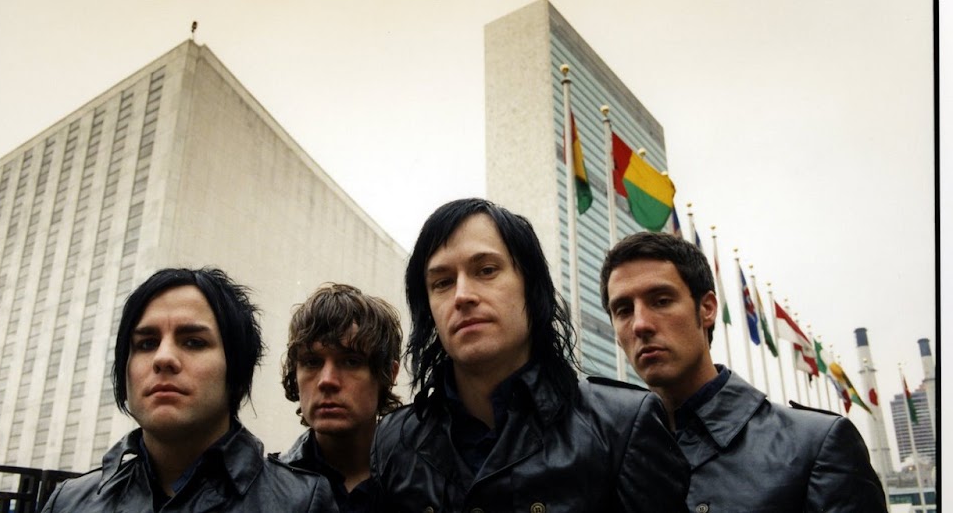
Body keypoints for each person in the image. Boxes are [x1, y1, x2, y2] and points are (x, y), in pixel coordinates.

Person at [371, 198, 689, 512]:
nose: (462, 295)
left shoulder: (621, 426)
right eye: (442, 283)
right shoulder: (392, 441)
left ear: (531, 287)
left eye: (486, 270)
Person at [599, 231, 888, 512]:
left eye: (661, 301)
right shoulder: (605, 456)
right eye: (623, 310)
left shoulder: (814, 445)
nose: (640, 324)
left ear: (707, 308)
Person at [42, 267, 336, 512]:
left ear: (236, 367)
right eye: (146, 343)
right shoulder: (68, 502)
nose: (163, 358)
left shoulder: (301, 503)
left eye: (194, 342)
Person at [278, 283, 403, 513]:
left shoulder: (422, 482)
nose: (327, 380)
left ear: (389, 374)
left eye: (351, 361)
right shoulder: (270, 489)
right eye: (312, 362)